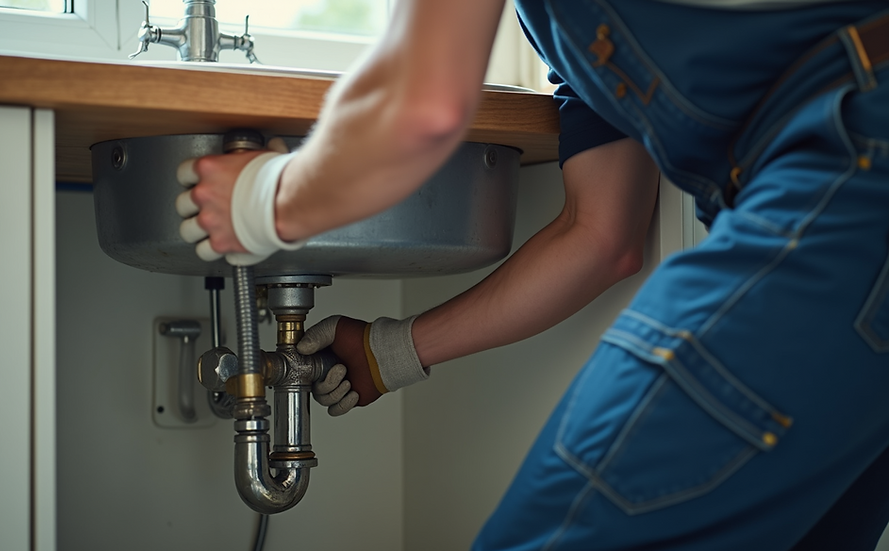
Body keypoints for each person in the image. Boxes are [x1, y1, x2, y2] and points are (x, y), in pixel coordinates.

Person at [174, 0, 889, 548]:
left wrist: (259, 202)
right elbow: (601, 234)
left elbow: (419, 106)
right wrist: (389, 352)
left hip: (856, 167)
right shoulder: (577, 32)